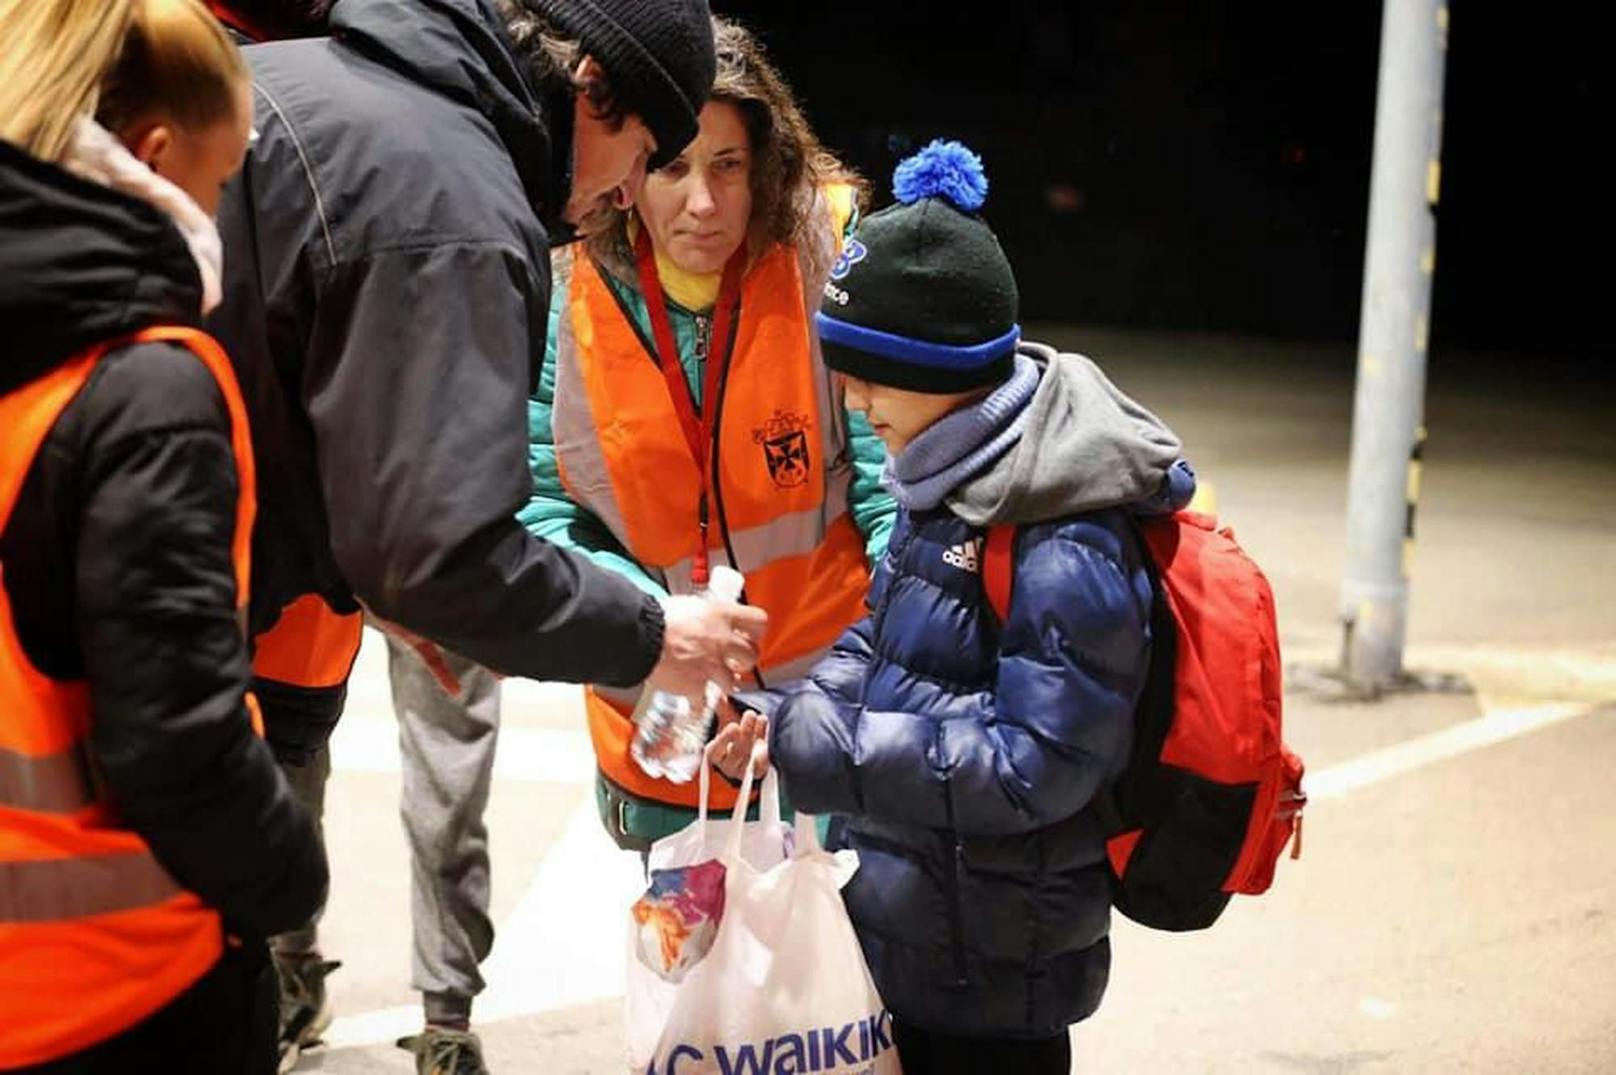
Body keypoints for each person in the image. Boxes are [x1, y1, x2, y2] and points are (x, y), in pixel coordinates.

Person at [204, 0, 763, 1068]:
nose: (616, 195)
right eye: (640, 152)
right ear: (588, 85)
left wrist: (368, 569)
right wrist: (655, 630)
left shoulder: (324, 84)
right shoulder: (446, 193)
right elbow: (443, 556)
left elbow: (283, 399)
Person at [379, 18, 896, 1069]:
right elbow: (533, 506)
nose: (699, 204)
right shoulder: (562, 289)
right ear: (624, 171)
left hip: (829, 715)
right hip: (661, 715)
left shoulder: (826, 266)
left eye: (728, 166)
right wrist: (658, 635)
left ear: (772, 167)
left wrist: (850, 682)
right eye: (669, 167)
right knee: (698, 1005)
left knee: (842, 998)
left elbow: (892, 494)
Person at [739, 141, 1197, 1075]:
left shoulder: (1063, 529)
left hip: (997, 974)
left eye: (871, 372)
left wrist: (833, 750)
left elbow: (1040, 764)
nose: (853, 399)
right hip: (917, 931)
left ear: (950, 367)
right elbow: (883, 629)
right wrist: (786, 716)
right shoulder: (948, 473)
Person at [0, 1, 326, 1071]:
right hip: (122, 988)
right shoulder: (146, 387)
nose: (223, 213)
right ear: (152, 156)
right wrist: (289, 878)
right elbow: (175, 748)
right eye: (224, 181)